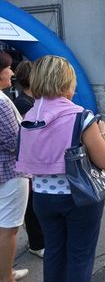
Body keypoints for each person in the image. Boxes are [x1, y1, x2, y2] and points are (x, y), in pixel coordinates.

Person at [16, 55, 105, 282]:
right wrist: (104, 132)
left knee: (54, 253)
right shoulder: (81, 117)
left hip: (42, 197)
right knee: (80, 256)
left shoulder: (29, 117)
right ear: (66, 83)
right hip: (79, 197)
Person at [0, 51, 29, 282]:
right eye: (7, 68)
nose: (11, 72)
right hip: (10, 171)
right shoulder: (1, 102)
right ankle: (6, 275)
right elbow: (14, 142)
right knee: (9, 228)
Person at [13, 61, 45, 259]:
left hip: (35, 163)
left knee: (36, 205)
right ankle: (37, 243)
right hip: (29, 165)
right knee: (32, 207)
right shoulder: (23, 104)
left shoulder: (33, 101)